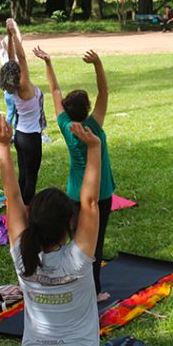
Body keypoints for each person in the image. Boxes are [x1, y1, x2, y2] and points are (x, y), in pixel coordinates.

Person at [0, 113, 104, 346]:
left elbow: (13, 197)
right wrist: (94, 147)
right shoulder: (78, 260)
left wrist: (3, 145)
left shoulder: (22, 256)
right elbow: (89, 201)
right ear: (70, 225)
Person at [34, 46, 115, 301]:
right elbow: (104, 91)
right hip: (98, 193)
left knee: (73, 242)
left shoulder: (66, 125)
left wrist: (48, 62)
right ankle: (93, 291)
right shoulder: (92, 127)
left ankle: (67, 280)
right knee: (94, 244)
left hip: (73, 194)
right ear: (88, 108)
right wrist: (98, 63)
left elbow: (55, 91)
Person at [0, 19, 47, 205]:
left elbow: (12, 59)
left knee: (24, 174)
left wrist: (10, 35)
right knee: (31, 178)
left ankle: (17, 207)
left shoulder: (14, 88)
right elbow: (21, 58)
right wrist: (13, 33)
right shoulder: (24, 87)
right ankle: (26, 210)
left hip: (20, 136)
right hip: (31, 138)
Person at [0, 18, 18, 127]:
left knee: (15, 113)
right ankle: (7, 130)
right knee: (12, 112)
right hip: (11, 90)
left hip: (9, 89)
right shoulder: (6, 55)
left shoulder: (5, 54)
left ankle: (13, 131)